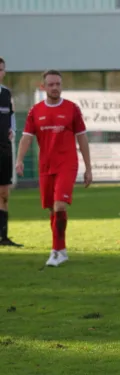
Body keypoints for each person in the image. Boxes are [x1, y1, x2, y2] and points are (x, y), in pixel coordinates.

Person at [16, 70, 93, 265]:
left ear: (62, 85)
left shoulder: (72, 109)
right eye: (51, 84)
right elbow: (26, 137)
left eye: (58, 84)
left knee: (60, 204)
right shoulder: (35, 111)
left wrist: (88, 167)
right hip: (45, 166)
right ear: (44, 87)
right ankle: (61, 250)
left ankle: (56, 251)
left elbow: (82, 137)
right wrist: (19, 160)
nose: (55, 87)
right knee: (52, 209)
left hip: (67, 164)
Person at [0, 57, 21, 247]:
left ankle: (3, 237)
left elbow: (11, 116)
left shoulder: (6, 93)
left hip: (4, 149)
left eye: (1, 69)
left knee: (4, 194)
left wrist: (12, 130)